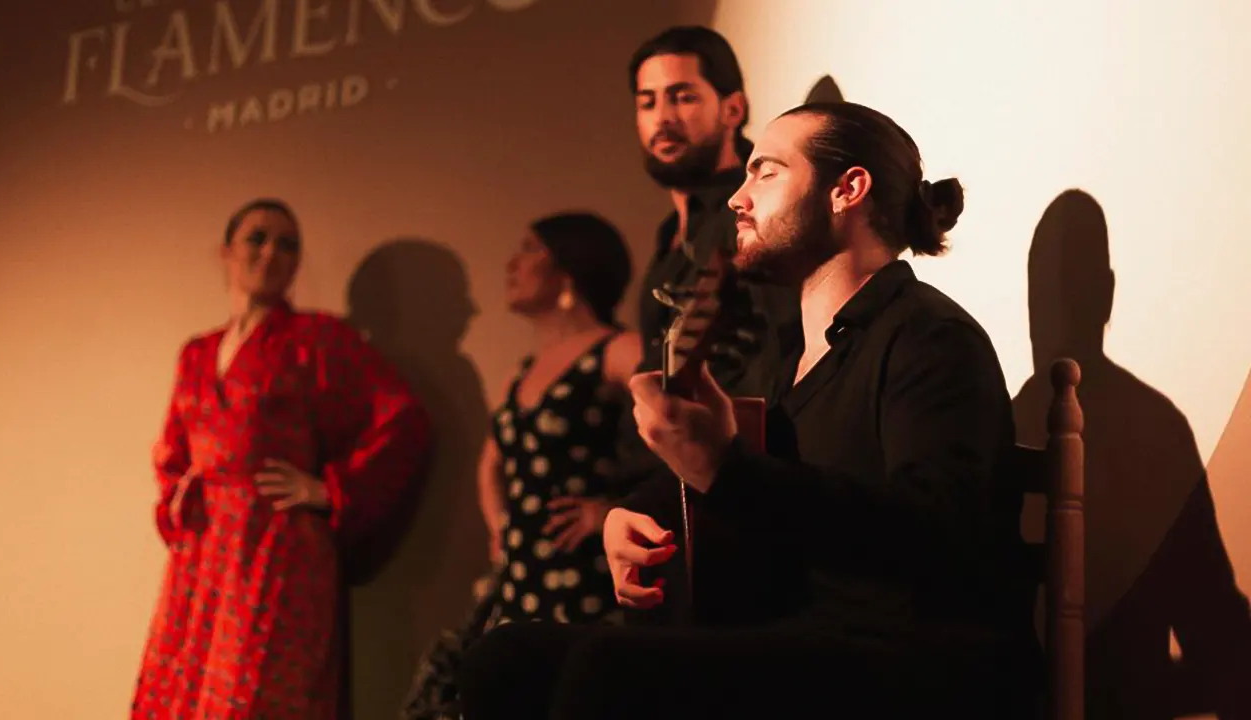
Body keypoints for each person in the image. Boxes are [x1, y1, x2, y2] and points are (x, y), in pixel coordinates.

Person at [457, 102, 1042, 719]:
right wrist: (629, 516)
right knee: (507, 655)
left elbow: (935, 535)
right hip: (803, 638)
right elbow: (751, 484)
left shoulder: (930, 336)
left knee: (606, 671)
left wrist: (725, 470)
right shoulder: (788, 360)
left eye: (765, 172)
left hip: (918, 662)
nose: (738, 199)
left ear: (848, 190)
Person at [130, 199, 431, 720]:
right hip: (201, 555)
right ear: (226, 252)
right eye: (258, 238)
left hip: (276, 550)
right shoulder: (197, 353)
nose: (272, 252)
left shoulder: (317, 339)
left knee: (253, 697)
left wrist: (330, 489)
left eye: (287, 244)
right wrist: (180, 497)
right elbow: (172, 448)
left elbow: (401, 418)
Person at [403, 212, 641, 720]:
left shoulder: (617, 351)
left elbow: (678, 436)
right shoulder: (525, 370)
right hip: (521, 577)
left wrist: (611, 511)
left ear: (568, 269)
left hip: (585, 576)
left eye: (529, 249)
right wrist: (500, 528)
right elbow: (492, 460)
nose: (512, 263)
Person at [616, 24, 802, 625]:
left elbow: (784, 359)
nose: (661, 117)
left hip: (732, 500)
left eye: (682, 96)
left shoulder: (749, 220)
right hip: (664, 499)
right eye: (647, 102)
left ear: (733, 109)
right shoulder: (669, 236)